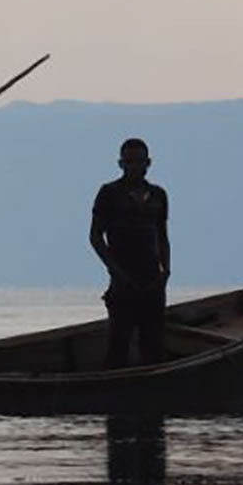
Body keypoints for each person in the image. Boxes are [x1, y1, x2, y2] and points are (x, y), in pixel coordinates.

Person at [89, 138, 170, 368]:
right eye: (129, 161)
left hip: (153, 280)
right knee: (119, 345)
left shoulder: (158, 195)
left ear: (148, 163)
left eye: (139, 161)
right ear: (120, 164)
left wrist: (166, 270)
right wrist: (114, 270)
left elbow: (162, 235)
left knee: (154, 346)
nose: (134, 166)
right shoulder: (109, 193)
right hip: (122, 283)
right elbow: (95, 236)